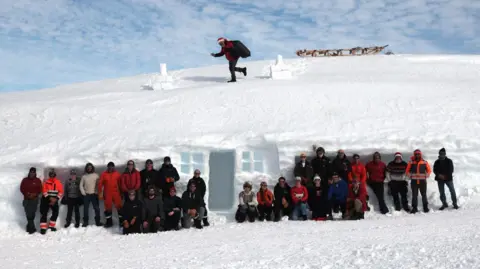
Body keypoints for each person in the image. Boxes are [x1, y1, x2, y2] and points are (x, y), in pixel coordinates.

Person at [406, 149, 432, 213]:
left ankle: (425, 207)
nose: (417, 155)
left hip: (422, 182)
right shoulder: (411, 162)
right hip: (414, 182)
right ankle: (414, 208)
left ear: (420, 154)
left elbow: (429, 170)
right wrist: (410, 175)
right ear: (414, 155)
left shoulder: (424, 162)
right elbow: (407, 171)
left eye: (418, 154)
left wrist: (426, 175)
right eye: (416, 154)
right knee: (414, 195)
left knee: (424, 195)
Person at [39, 169, 64, 234]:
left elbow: (61, 192)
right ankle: (43, 228)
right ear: (49, 175)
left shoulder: (58, 182)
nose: (52, 175)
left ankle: (51, 226)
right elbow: (44, 191)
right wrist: (50, 199)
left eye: (53, 174)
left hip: (55, 200)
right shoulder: (46, 182)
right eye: (51, 174)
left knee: (56, 212)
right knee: (44, 213)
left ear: (55, 175)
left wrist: (56, 199)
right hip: (46, 199)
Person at [98, 162, 123, 228]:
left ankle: (121, 222)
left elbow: (120, 183)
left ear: (114, 167)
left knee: (119, 207)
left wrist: (121, 192)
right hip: (107, 193)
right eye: (109, 166)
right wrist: (100, 193)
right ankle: (109, 222)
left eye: (112, 166)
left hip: (116, 193)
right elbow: (100, 184)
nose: (110, 168)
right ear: (107, 167)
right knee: (108, 208)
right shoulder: (104, 174)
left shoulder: (117, 174)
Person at [19, 167, 42, 234]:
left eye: (33, 172)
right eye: (31, 172)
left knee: (32, 214)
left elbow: (40, 189)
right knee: (28, 213)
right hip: (26, 199)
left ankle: (29, 226)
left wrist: (35, 194)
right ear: (29, 172)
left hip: (34, 200)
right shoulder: (25, 180)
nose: (32, 173)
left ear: (35, 173)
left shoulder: (38, 180)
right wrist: (27, 194)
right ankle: (32, 228)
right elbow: (21, 188)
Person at [80, 162, 102, 227]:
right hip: (86, 195)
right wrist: (83, 192)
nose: (89, 168)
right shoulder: (84, 176)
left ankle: (98, 222)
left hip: (94, 195)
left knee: (97, 208)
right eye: (88, 167)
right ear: (86, 168)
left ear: (92, 168)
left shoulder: (96, 175)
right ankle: (85, 222)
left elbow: (99, 184)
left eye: (90, 167)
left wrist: (97, 191)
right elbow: (81, 185)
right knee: (85, 209)